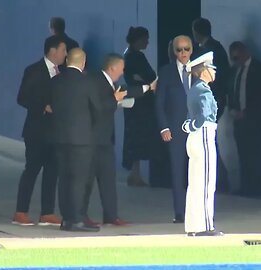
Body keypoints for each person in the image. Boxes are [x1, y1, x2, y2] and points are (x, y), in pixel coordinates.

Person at [83, 53, 157, 226]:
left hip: (105, 141)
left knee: (108, 179)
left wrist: (148, 88)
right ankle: (81, 215)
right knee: (87, 181)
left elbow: (127, 91)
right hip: (93, 140)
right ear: (112, 68)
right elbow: (98, 107)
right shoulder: (95, 82)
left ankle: (111, 216)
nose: (123, 72)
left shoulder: (110, 83)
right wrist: (114, 99)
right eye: (121, 69)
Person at [13, 35, 66, 226]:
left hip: (54, 131)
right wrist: (42, 106)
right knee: (32, 169)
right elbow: (22, 98)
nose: (65, 54)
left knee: (52, 171)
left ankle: (47, 212)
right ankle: (20, 211)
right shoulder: (34, 70)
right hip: (36, 130)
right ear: (53, 51)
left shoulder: (62, 73)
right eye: (63, 50)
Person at [50, 48, 101, 232]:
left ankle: (66, 219)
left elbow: (52, 106)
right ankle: (78, 219)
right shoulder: (87, 82)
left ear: (67, 60)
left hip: (60, 137)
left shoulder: (56, 81)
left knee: (64, 178)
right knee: (79, 180)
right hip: (82, 139)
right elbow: (97, 109)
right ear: (83, 62)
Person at [182, 52, 223, 237]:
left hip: (194, 138)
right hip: (204, 135)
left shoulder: (194, 89)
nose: (214, 71)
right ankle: (205, 226)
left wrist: (189, 125)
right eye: (211, 68)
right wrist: (194, 125)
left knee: (195, 183)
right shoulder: (203, 90)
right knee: (206, 183)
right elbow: (203, 115)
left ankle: (192, 225)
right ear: (203, 71)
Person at [156, 35, 195, 223]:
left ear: (192, 50)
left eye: (186, 49)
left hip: (196, 129)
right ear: (174, 51)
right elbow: (159, 102)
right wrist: (164, 127)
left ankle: (196, 211)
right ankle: (180, 212)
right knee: (177, 171)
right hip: (175, 129)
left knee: (197, 171)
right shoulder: (166, 72)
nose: (183, 53)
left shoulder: (199, 70)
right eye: (179, 50)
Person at [192, 17, 230, 192]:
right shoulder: (217, 47)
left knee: (208, 140)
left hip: (212, 100)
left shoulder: (208, 50)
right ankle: (219, 178)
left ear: (196, 33)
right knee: (209, 140)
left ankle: (220, 179)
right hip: (216, 98)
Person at [228, 41, 261, 197]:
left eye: (237, 57)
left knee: (255, 154)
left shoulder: (258, 68)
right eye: (233, 58)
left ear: (245, 52)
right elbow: (231, 91)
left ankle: (258, 187)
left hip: (254, 119)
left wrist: (248, 112)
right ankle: (245, 186)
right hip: (238, 119)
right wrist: (232, 109)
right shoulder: (234, 70)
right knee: (242, 153)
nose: (235, 61)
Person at [122, 26, 160, 187]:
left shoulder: (128, 55)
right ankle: (135, 173)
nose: (148, 42)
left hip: (134, 99)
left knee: (134, 136)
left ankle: (135, 172)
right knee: (139, 136)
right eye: (145, 39)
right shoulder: (136, 57)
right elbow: (150, 76)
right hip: (142, 102)